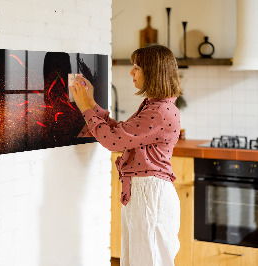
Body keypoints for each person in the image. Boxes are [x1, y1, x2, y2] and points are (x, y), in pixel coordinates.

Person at [70, 44, 182, 266]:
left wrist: (85, 108)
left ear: (153, 72)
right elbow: (121, 133)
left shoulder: (159, 111)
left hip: (150, 195)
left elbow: (113, 141)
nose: (131, 72)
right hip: (145, 193)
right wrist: (91, 103)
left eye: (137, 67)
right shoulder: (155, 106)